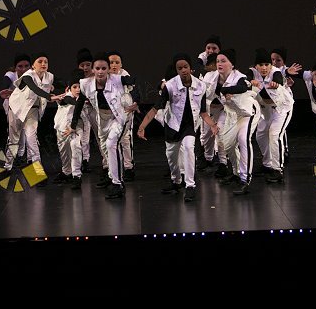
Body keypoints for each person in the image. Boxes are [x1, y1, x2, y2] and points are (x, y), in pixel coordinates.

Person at [137, 53, 218, 202]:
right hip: (173, 125)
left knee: (188, 148)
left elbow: (203, 111)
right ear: (176, 70)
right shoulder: (170, 86)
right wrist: (142, 127)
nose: (183, 70)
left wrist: (212, 125)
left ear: (190, 68)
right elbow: (155, 108)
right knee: (172, 157)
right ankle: (176, 181)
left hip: (189, 125)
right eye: (179, 68)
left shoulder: (200, 85)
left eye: (185, 67)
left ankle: (190, 186)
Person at [70, 53, 139, 199]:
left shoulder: (118, 79)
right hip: (102, 118)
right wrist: (73, 124)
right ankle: (113, 176)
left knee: (111, 144)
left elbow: (133, 83)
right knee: (105, 148)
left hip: (119, 116)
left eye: (103, 68)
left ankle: (118, 183)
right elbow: (80, 102)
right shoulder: (86, 84)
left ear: (108, 69)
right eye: (97, 68)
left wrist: (136, 101)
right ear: (93, 70)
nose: (100, 71)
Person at [0, 53, 63, 175]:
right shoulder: (28, 75)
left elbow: (63, 82)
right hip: (16, 109)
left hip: (32, 110)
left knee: (31, 139)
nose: (43, 64)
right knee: (14, 139)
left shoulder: (49, 76)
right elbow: (35, 88)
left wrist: (72, 87)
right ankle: (7, 167)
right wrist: (49, 96)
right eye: (40, 61)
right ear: (33, 65)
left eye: (45, 62)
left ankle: (38, 172)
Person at [212, 49, 260, 196]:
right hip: (232, 113)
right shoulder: (214, 78)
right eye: (218, 61)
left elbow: (243, 87)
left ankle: (245, 179)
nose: (219, 64)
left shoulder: (239, 76)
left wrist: (225, 89)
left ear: (232, 64)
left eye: (223, 61)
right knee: (226, 143)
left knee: (243, 139)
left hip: (247, 112)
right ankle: (236, 172)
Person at [249, 48, 292, 183]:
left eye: (267, 64)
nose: (264, 68)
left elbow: (278, 78)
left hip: (281, 109)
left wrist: (276, 83)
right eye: (261, 65)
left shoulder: (275, 72)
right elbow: (246, 77)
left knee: (274, 135)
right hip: (265, 110)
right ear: (256, 66)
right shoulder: (252, 72)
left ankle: (277, 169)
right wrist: (250, 81)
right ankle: (267, 164)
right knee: (260, 135)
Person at [54, 70, 85, 189]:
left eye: (80, 87)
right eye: (75, 87)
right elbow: (68, 100)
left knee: (75, 147)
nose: (78, 89)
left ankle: (77, 176)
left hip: (76, 128)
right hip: (62, 129)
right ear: (69, 88)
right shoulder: (66, 97)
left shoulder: (84, 98)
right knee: (64, 152)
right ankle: (67, 172)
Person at [0, 53, 31, 165]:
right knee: (15, 134)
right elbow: (4, 86)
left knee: (26, 133)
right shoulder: (11, 75)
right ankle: (10, 161)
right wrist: (4, 92)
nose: (23, 69)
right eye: (20, 66)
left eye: (26, 66)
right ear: (15, 67)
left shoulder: (33, 75)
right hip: (12, 107)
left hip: (27, 107)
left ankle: (21, 156)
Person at [108, 51, 135, 182]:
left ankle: (128, 167)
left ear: (121, 64)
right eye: (111, 62)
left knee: (125, 138)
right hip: (107, 112)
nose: (114, 65)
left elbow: (133, 90)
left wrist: (134, 104)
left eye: (117, 62)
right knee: (107, 141)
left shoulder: (124, 75)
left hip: (124, 111)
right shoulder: (103, 76)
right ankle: (109, 168)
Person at [198, 52, 226, 172]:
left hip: (223, 109)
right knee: (206, 135)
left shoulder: (227, 74)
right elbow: (206, 93)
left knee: (221, 134)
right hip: (209, 109)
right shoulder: (207, 76)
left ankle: (223, 162)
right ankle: (208, 158)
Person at [75, 47, 98, 174]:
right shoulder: (76, 78)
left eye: (88, 65)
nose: (85, 68)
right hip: (81, 110)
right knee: (83, 136)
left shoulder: (97, 76)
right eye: (82, 65)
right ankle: (84, 160)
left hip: (95, 110)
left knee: (99, 135)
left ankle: (107, 164)